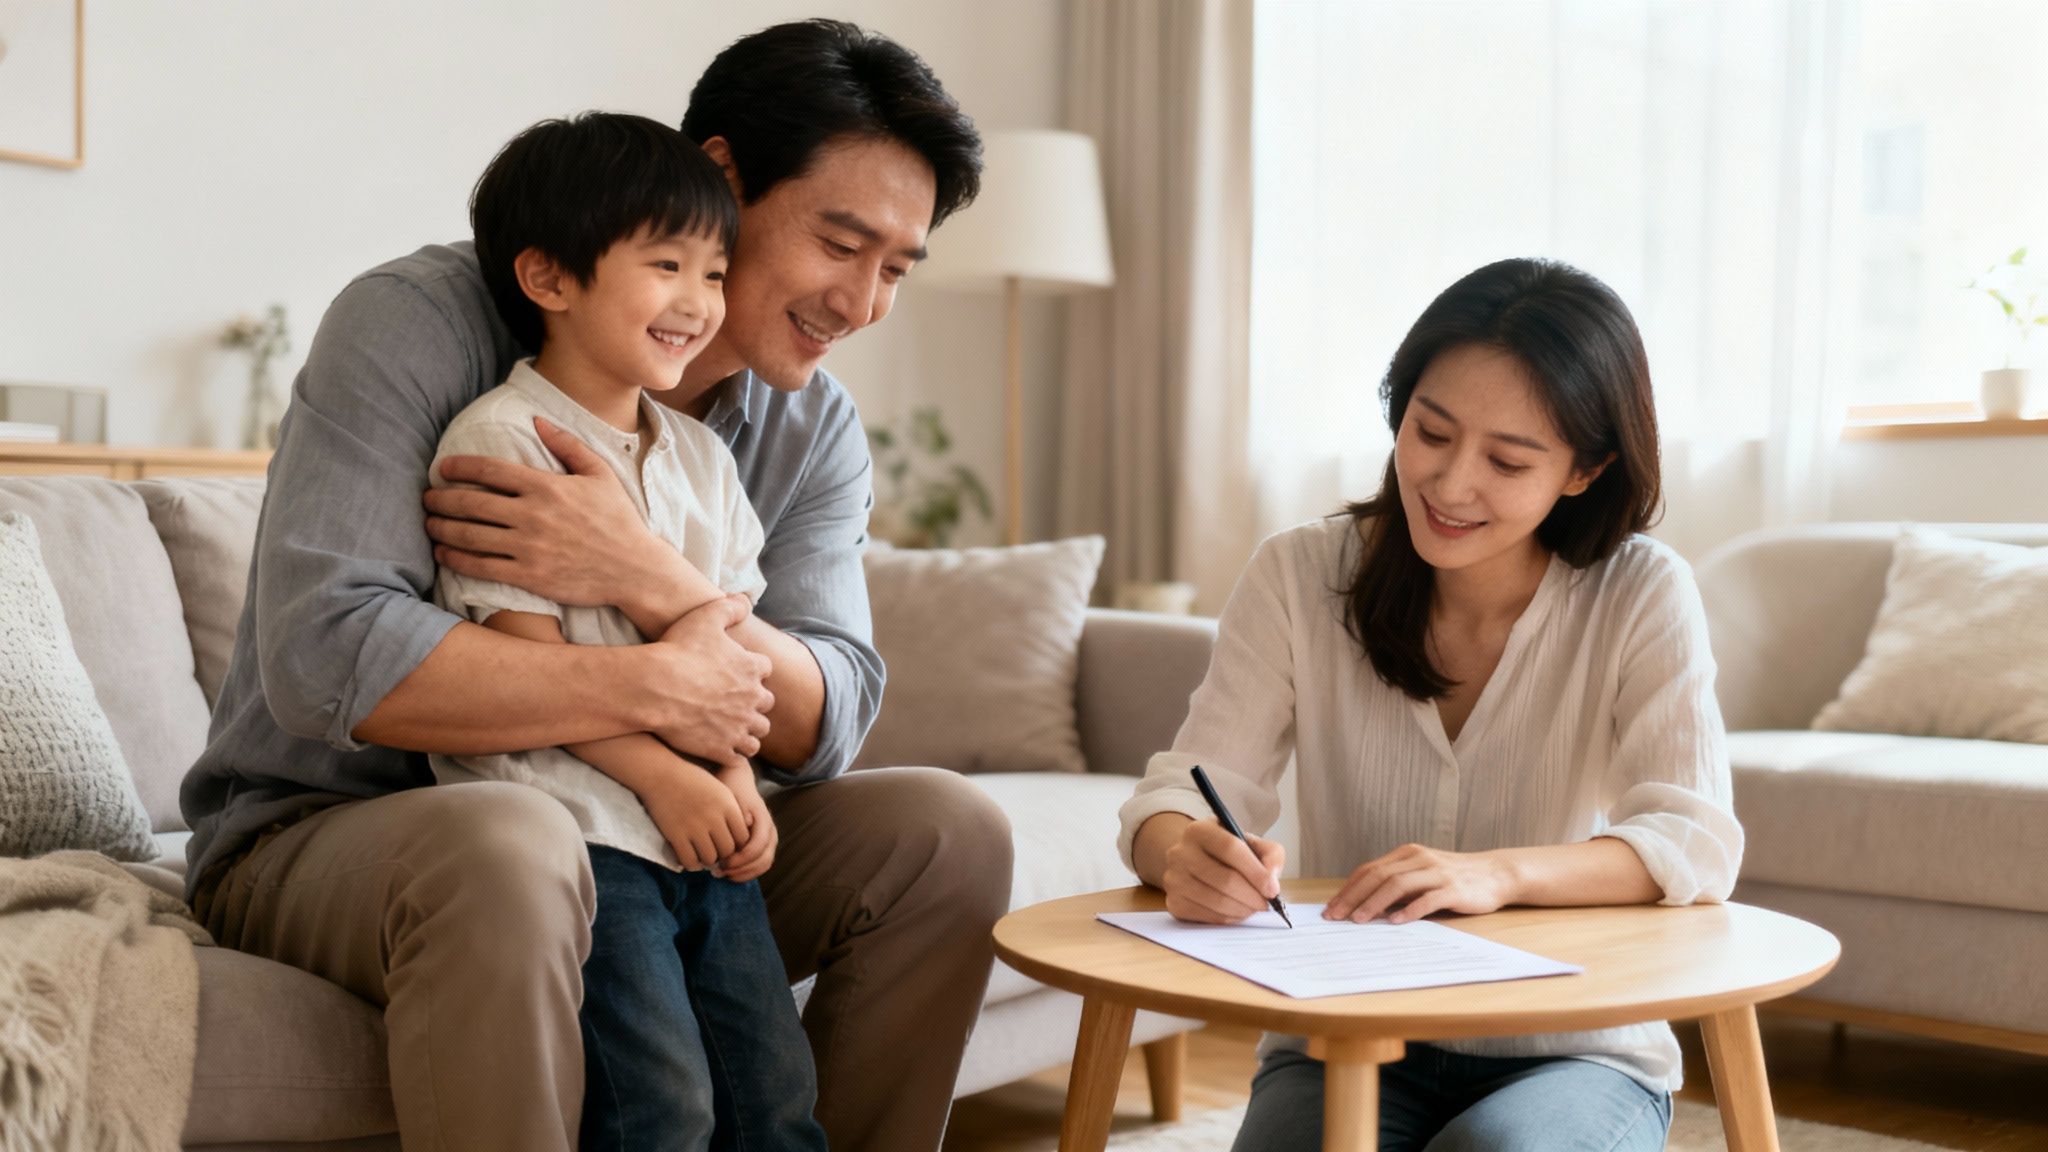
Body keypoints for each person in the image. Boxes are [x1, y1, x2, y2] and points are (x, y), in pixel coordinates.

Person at [181, 20, 1006, 1152]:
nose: (859, 303)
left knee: (948, 833)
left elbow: (827, 717)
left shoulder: (806, 427)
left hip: (664, 825)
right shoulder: (424, 327)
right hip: (339, 826)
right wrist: (667, 685)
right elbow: (332, 656)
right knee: (515, 840)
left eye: (895, 269)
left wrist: (642, 571)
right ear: (720, 177)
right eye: (839, 242)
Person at [1117, 258, 1745, 1152]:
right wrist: (1185, 853)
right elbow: (1178, 794)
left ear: (1583, 469)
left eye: (1507, 460)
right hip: (1341, 1035)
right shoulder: (1299, 573)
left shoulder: (1641, 591)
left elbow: (1692, 839)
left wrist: (1497, 873)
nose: (1450, 485)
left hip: (1571, 1047)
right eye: (1430, 432)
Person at [429, 111, 825, 1151]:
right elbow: (522, 674)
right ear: (550, 279)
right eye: (666, 266)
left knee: (774, 1101)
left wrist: (734, 786)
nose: (699, 303)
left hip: (705, 833)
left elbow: (732, 655)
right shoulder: (501, 444)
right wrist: (669, 779)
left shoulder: (701, 460)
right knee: (660, 1107)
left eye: (713, 270)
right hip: (582, 837)